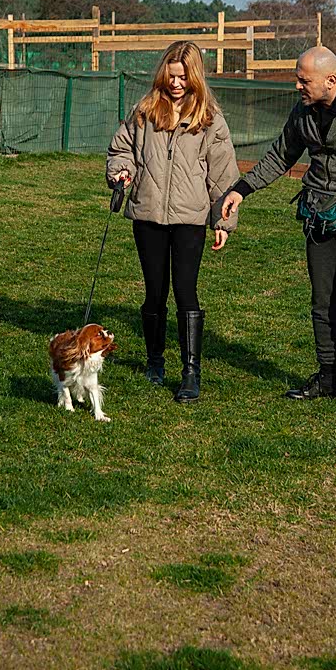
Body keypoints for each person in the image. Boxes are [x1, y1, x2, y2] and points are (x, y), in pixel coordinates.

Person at [221, 46, 336, 416]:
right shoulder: (304, 111)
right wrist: (241, 190)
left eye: (304, 80)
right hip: (319, 217)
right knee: (322, 302)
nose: (297, 86)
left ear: (331, 80)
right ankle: (328, 376)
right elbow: (281, 155)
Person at [106, 41, 239, 403]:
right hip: (147, 214)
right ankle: (154, 362)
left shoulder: (210, 118)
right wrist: (121, 171)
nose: (176, 83)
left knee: (185, 291)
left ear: (194, 76)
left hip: (189, 218)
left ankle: (190, 372)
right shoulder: (145, 111)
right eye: (171, 76)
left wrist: (222, 222)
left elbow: (223, 175)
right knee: (154, 292)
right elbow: (122, 149)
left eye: (183, 77)